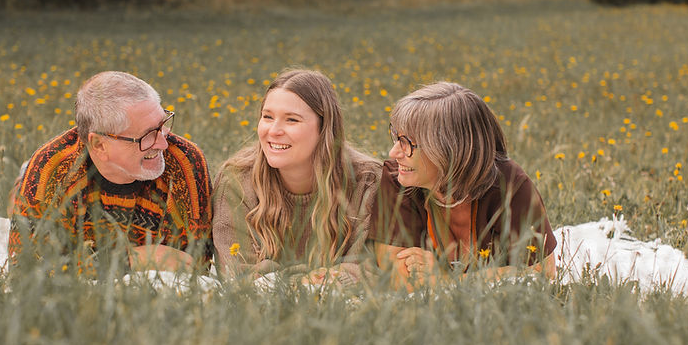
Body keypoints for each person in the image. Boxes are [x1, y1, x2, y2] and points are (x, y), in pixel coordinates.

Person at [8, 71, 212, 272]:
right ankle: (21, 183)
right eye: (148, 135)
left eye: (163, 125)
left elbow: (196, 262)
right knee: (23, 205)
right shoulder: (51, 172)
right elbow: (26, 270)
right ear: (99, 145)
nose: (163, 143)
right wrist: (129, 261)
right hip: (53, 181)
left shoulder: (184, 160)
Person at [371, 82, 556, 285]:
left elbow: (542, 272)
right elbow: (397, 277)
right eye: (396, 137)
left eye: (408, 143)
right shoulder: (397, 179)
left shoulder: (510, 187)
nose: (394, 153)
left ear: (448, 149)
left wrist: (447, 279)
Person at [212, 69, 381, 283]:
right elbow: (237, 275)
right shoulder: (236, 181)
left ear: (324, 128)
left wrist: (278, 277)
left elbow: (371, 270)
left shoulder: (367, 182)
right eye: (267, 117)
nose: (274, 131)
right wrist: (310, 280)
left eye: (291, 120)